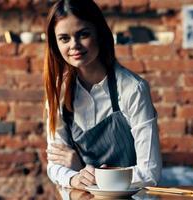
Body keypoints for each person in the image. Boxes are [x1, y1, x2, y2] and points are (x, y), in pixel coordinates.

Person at [44, 0, 162, 191]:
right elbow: (55, 165)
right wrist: (73, 178)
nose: (74, 45)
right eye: (64, 38)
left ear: (99, 34)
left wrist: (80, 167)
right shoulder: (59, 92)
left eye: (83, 34)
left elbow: (150, 172)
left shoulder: (133, 89)